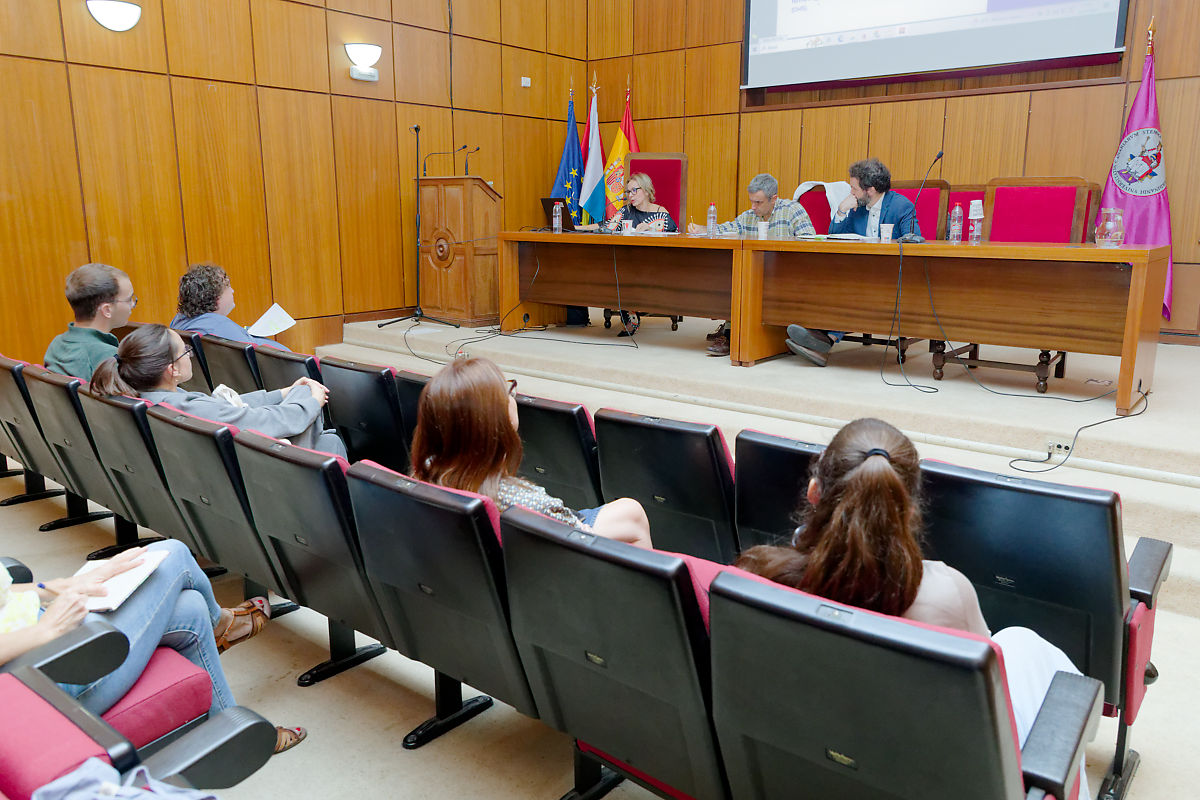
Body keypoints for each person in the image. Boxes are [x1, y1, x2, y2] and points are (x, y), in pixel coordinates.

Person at [735, 418, 1089, 800]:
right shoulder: (946, 592)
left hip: (808, 762)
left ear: (813, 491)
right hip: (926, 771)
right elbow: (985, 700)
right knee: (1021, 644)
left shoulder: (755, 574)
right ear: (907, 508)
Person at [0, 540, 306, 754]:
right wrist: (44, 631)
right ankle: (222, 625)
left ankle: (234, 736)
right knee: (173, 554)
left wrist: (57, 587)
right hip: (41, 680)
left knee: (190, 607)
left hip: (47, 636)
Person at [410, 357, 653, 549]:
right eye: (507, 392)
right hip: (551, 550)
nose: (512, 396)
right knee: (632, 514)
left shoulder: (430, 466)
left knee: (625, 511)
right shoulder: (527, 502)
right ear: (494, 419)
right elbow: (577, 537)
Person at [90, 324, 345, 458]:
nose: (190, 355)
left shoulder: (148, 397)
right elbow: (261, 422)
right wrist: (310, 399)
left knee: (328, 441)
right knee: (322, 430)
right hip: (255, 478)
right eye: (186, 351)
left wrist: (281, 393)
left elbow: (224, 411)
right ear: (172, 370)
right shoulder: (186, 408)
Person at [786, 158, 919, 367]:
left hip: (889, 276)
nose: (851, 193)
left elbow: (915, 241)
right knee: (828, 276)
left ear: (871, 190)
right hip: (856, 271)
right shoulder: (857, 207)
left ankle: (822, 339)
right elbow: (835, 236)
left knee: (852, 285)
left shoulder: (902, 206)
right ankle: (819, 336)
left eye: (854, 188)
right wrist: (840, 210)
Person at [687, 174, 816, 356]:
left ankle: (735, 336)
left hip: (787, 275)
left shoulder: (792, 210)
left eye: (758, 202)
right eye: (752, 201)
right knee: (734, 276)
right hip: (757, 275)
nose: (753, 207)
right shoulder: (750, 216)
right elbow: (729, 228)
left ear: (774, 199)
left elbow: (809, 242)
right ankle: (731, 335)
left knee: (745, 283)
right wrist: (704, 229)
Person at [577, 173, 678, 337]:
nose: (630, 196)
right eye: (628, 192)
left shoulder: (661, 213)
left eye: (634, 191)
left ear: (646, 190)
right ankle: (631, 316)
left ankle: (632, 316)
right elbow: (607, 227)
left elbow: (675, 237)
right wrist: (577, 228)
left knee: (628, 272)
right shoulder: (625, 211)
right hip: (630, 261)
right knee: (617, 270)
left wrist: (651, 230)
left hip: (655, 263)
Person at [44, 263, 137, 380]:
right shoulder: (110, 358)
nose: (132, 305)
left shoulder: (56, 344)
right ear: (107, 309)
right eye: (129, 299)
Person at [171, 263, 290, 350]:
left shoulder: (178, 322)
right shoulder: (219, 327)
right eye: (228, 286)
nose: (232, 291)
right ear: (216, 297)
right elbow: (282, 356)